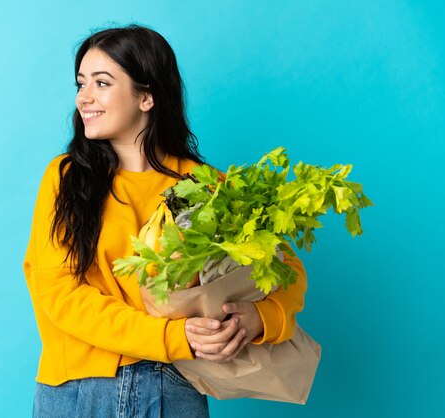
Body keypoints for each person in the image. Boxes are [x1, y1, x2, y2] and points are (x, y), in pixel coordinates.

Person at [23, 24, 307, 418]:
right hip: (79, 390)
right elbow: (60, 294)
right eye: (80, 84)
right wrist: (171, 335)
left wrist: (259, 319)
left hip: (174, 386)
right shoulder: (67, 177)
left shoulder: (204, 185)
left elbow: (285, 268)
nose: (83, 98)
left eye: (102, 83)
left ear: (147, 96)